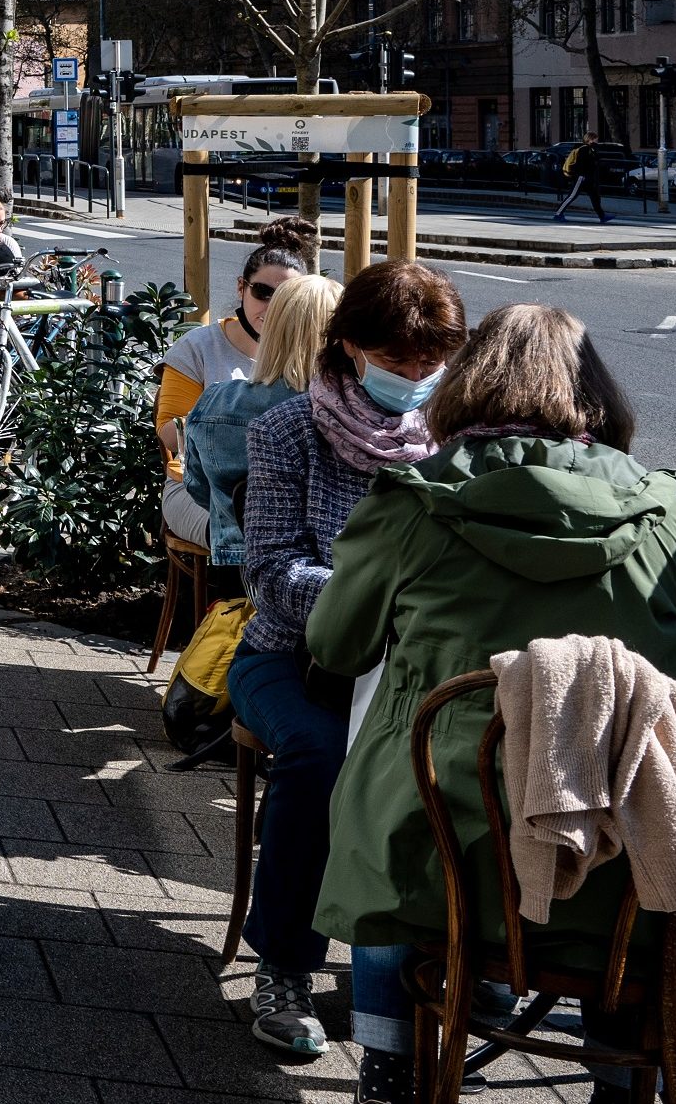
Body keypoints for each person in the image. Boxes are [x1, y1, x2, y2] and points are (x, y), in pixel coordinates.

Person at [311, 305, 676, 1104]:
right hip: (632, 851)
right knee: (666, 837)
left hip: (449, 854)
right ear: (598, 392)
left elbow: (335, 645)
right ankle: (624, 1067)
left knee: (379, 816)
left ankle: (389, 1067)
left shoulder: (411, 502)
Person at [229, 258, 466, 1059]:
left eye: (432, 364)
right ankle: (284, 967)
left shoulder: (452, 444)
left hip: (413, 668)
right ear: (351, 349)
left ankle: (449, 963)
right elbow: (266, 569)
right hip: (290, 659)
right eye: (399, 362)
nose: (417, 378)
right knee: (324, 755)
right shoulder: (288, 431)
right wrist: (369, 599)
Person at [171, 273, 339, 566]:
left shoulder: (217, 401)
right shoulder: (351, 411)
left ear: (272, 328)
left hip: (240, 564)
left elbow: (199, 487)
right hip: (330, 566)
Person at [154, 217, 317, 468]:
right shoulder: (197, 347)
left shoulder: (311, 351)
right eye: (263, 292)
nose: (272, 307)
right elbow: (168, 434)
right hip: (201, 482)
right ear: (241, 287)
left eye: (286, 297)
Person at [550, 132, 612, 223]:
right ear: (590, 139)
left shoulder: (591, 149)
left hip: (588, 178)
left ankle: (602, 216)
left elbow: (595, 161)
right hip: (581, 178)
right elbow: (582, 164)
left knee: (595, 196)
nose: (597, 141)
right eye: (595, 139)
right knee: (572, 196)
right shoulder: (584, 149)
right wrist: (582, 175)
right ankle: (558, 214)